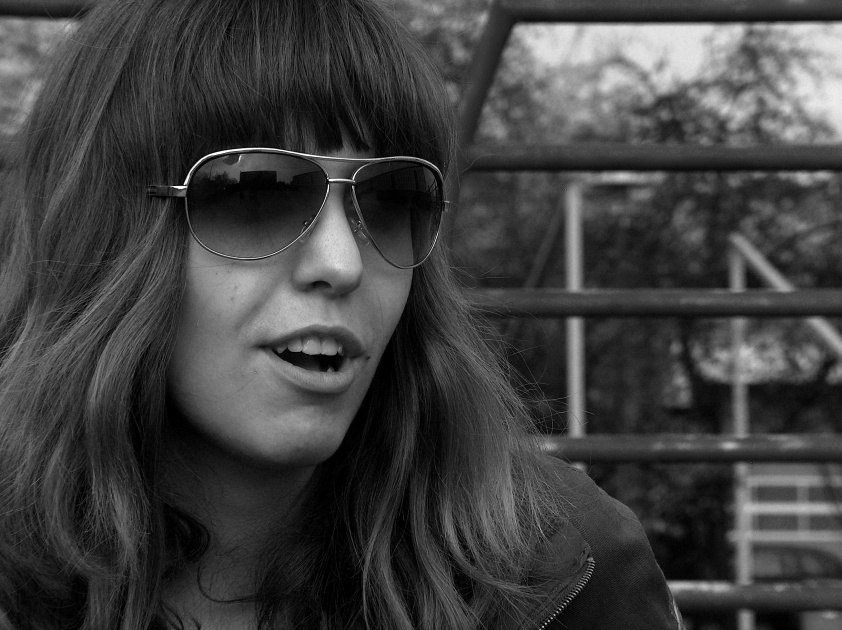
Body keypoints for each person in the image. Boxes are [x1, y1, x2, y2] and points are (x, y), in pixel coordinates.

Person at [0, 0, 685, 628]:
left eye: (390, 200)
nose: (343, 262)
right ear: (103, 233)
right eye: (255, 191)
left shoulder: (565, 569)